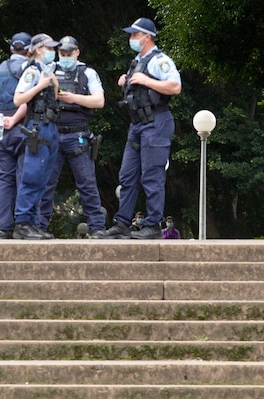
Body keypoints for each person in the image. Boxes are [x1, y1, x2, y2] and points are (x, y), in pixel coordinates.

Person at [92, 18, 181, 240]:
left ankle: (152, 225)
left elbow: (175, 86)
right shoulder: (137, 61)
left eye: (135, 35)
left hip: (156, 122)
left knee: (152, 175)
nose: (131, 38)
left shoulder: (160, 60)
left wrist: (146, 80)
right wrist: (127, 80)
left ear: (147, 36)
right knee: (127, 175)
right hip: (138, 125)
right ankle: (122, 223)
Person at [37, 36, 106, 236]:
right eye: (62, 54)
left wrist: (73, 98)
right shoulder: (48, 70)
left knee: (87, 182)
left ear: (77, 52)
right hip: (52, 133)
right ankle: (39, 226)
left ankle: (97, 227)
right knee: (46, 182)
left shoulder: (87, 73)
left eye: (69, 53)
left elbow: (99, 101)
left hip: (78, 134)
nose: (65, 57)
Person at [11, 33, 61, 240]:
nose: (53, 52)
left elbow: (55, 97)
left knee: (43, 178)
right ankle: (23, 222)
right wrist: (41, 85)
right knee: (32, 176)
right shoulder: (32, 71)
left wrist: (54, 84)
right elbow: (18, 98)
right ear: (39, 49)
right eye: (49, 48)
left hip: (50, 126)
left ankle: (32, 222)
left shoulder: (46, 70)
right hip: (37, 126)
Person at [0, 32, 32, 240]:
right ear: (29, 49)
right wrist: (15, 119)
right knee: (26, 176)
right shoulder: (31, 70)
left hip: (2, 130)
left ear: (12, 48)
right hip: (25, 128)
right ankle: (25, 224)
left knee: (3, 178)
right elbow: (28, 100)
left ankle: (2, 228)